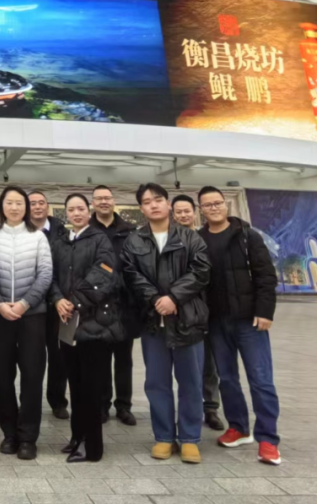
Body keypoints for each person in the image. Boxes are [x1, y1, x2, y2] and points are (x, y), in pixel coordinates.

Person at [123, 183, 210, 464]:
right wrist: (155, 299)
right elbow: (131, 275)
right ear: (141, 208)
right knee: (156, 382)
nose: (154, 205)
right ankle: (163, 436)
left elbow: (201, 271)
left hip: (187, 321)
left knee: (191, 382)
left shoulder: (190, 237)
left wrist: (173, 297)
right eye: (147, 201)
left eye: (158, 199)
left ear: (168, 203)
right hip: (153, 323)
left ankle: (190, 438)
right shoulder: (134, 241)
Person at [198, 187, 282, 466]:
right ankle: (238, 427)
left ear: (226, 205)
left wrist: (265, 311)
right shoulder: (198, 240)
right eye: (207, 205)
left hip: (249, 320)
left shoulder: (248, 236)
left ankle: (268, 439)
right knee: (227, 378)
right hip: (216, 321)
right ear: (201, 210)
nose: (213, 208)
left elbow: (266, 275)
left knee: (261, 379)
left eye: (217, 203)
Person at [51, 193, 122, 463]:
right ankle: (76, 436)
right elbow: (51, 276)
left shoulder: (99, 239)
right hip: (67, 323)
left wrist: (74, 301)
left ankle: (92, 447)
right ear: (66, 213)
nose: (76, 213)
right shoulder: (61, 242)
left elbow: (104, 274)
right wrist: (57, 300)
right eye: (71, 210)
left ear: (88, 210)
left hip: (95, 324)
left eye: (81, 208)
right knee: (75, 384)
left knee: (92, 388)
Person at [0, 186, 52, 460]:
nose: (14, 208)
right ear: (1, 206)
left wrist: (25, 303)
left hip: (32, 317)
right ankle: (9, 434)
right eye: (9, 203)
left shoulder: (38, 237)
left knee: (32, 377)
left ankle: (28, 437)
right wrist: (0, 304)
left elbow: (45, 274)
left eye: (19, 203)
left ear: (26, 207)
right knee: (1, 377)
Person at [172, 194, 223, 433]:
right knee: (187, 364)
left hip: (210, 307)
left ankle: (211, 407)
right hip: (183, 308)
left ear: (195, 212)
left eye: (187, 211)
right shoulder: (171, 240)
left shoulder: (205, 238)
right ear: (173, 215)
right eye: (179, 212)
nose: (183, 215)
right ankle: (188, 410)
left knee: (209, 361)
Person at [88, 185, 139, 428]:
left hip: (124, 304)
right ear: (93, 203)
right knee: (100, 360)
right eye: (98, 198)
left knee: (123, 359)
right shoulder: (87, 231)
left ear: (113, 201)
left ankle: (124, 406)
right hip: (97, 305)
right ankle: (101, 405)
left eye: (107, 198)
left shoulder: (130, 231)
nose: (103, 202)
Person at [30, 189, 69, 420]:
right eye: (32, 203)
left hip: (57, 302)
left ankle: (58, 401)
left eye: (41, 203)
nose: (37, 207)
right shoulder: (20, 230)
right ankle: (30, 402)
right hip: (30, 304)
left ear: (48, 206)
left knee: (58, 355)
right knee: (33, 356)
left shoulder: (62, 232)